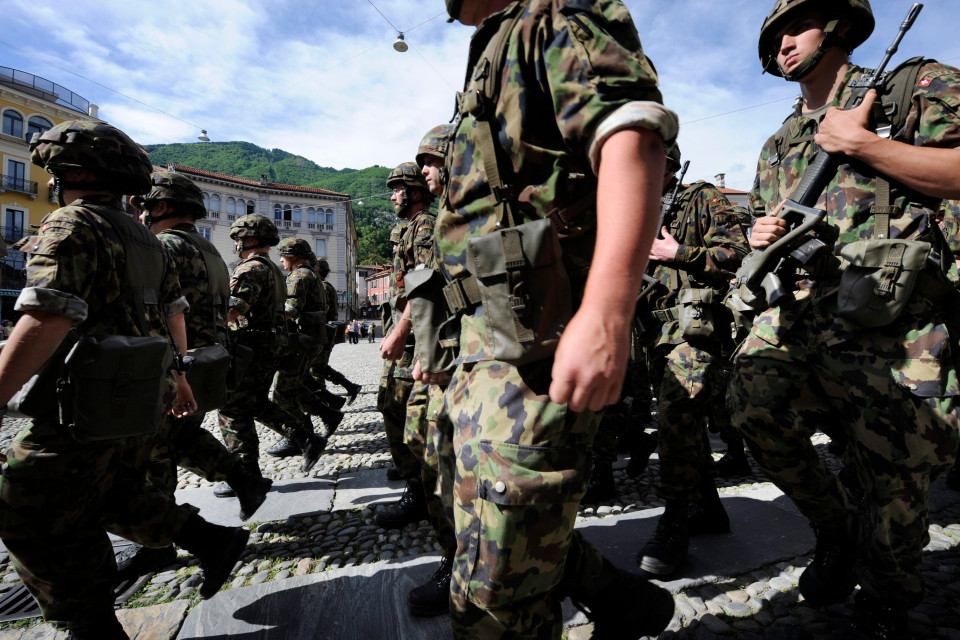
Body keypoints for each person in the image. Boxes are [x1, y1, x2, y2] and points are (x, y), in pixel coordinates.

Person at [429, 1, 679, 637]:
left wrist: (607, 312)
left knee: (494, 594)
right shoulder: (495, 47)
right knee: (485, 523)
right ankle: (615, 596)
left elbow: (632, 136)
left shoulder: (552, 11)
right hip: (486, 340)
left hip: (538, 338)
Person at [729, 1, 960, 637]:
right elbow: (771, 220)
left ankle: (887, 599)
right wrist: (760, 233)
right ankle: (836, 530)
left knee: (896, 474)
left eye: (794, 27)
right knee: (751, 407)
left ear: (838, 26)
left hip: (888, 315)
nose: (782, 44)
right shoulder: (780, 141)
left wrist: (863, 144)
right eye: (774, 38)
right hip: (800, 312)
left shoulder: (910, 87)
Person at [0, 120, 247, 639]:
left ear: (74, 173)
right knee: (106, 490)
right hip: (138, 393)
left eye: (56, 172)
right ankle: (210, 540)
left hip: (84, 399)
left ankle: (91, 624)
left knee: (25, 506)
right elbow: (171, 312)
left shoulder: (72, 224)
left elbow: (48, 314)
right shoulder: (146, 240)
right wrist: (178, 375)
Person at [108, 171, 273, 576]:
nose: (141, 215)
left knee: (155, 453)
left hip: (177, 361)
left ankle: (160, 544)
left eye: (145, 207)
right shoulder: (210, 249)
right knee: (178, 438)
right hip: (208, 358)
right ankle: (242, 478)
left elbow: (157, 306)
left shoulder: (165, 245)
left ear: (161, 206)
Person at [635, 145, 750, 577]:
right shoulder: (635, 208)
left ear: (668, 164)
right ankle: (708, 509)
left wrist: (679, 253)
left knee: (675, 414)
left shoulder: (701, 198)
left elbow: (739, 254)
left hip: (695, 328)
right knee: (687, 426)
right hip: (653, 333)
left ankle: (675, 520)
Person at [215, 215, 327, 498]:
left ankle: (247, 474)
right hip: (270, 345)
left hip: (252, 347)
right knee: (256, 403)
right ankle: (306, 438)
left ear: (251, 239)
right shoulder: (274, 269)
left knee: (232, 408)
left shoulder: (251, 268)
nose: (236, 244)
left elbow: (232, 310)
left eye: (238, 239)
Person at [375, 162, 436, 530]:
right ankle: (415, 478)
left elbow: (424, 281)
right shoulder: (411, 228)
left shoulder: (424, 226)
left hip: (414, 336)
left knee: (401, 409)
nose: (393, 197)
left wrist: (401, 329)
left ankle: (421, 491)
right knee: (392, 405)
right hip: (407, 333)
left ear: (415, 192)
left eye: (397, 190)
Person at [267, 238, 343, 456]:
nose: (281, 261)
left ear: (295, 257)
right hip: (311, 338)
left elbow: (289, 310)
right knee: (295, 385)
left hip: (301, 340)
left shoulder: (299, 275)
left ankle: (298, 437)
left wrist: (264, 314)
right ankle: (326, 415)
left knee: (282, 391)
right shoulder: (312, 274)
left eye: (283, 256)